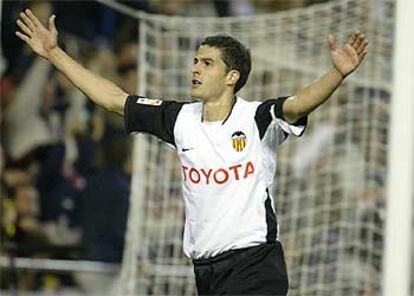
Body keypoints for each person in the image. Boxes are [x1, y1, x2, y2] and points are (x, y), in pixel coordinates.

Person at [16, 8, 368, 295]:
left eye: (207, 63)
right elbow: (112, 98)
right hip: (206, 271)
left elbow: (298, 103)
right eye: (196, 61)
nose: (195, 68)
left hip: (255, 265)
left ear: (232, 76)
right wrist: (54, 53)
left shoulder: (257, 118)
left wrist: (335, 75)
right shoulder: (179, 118)